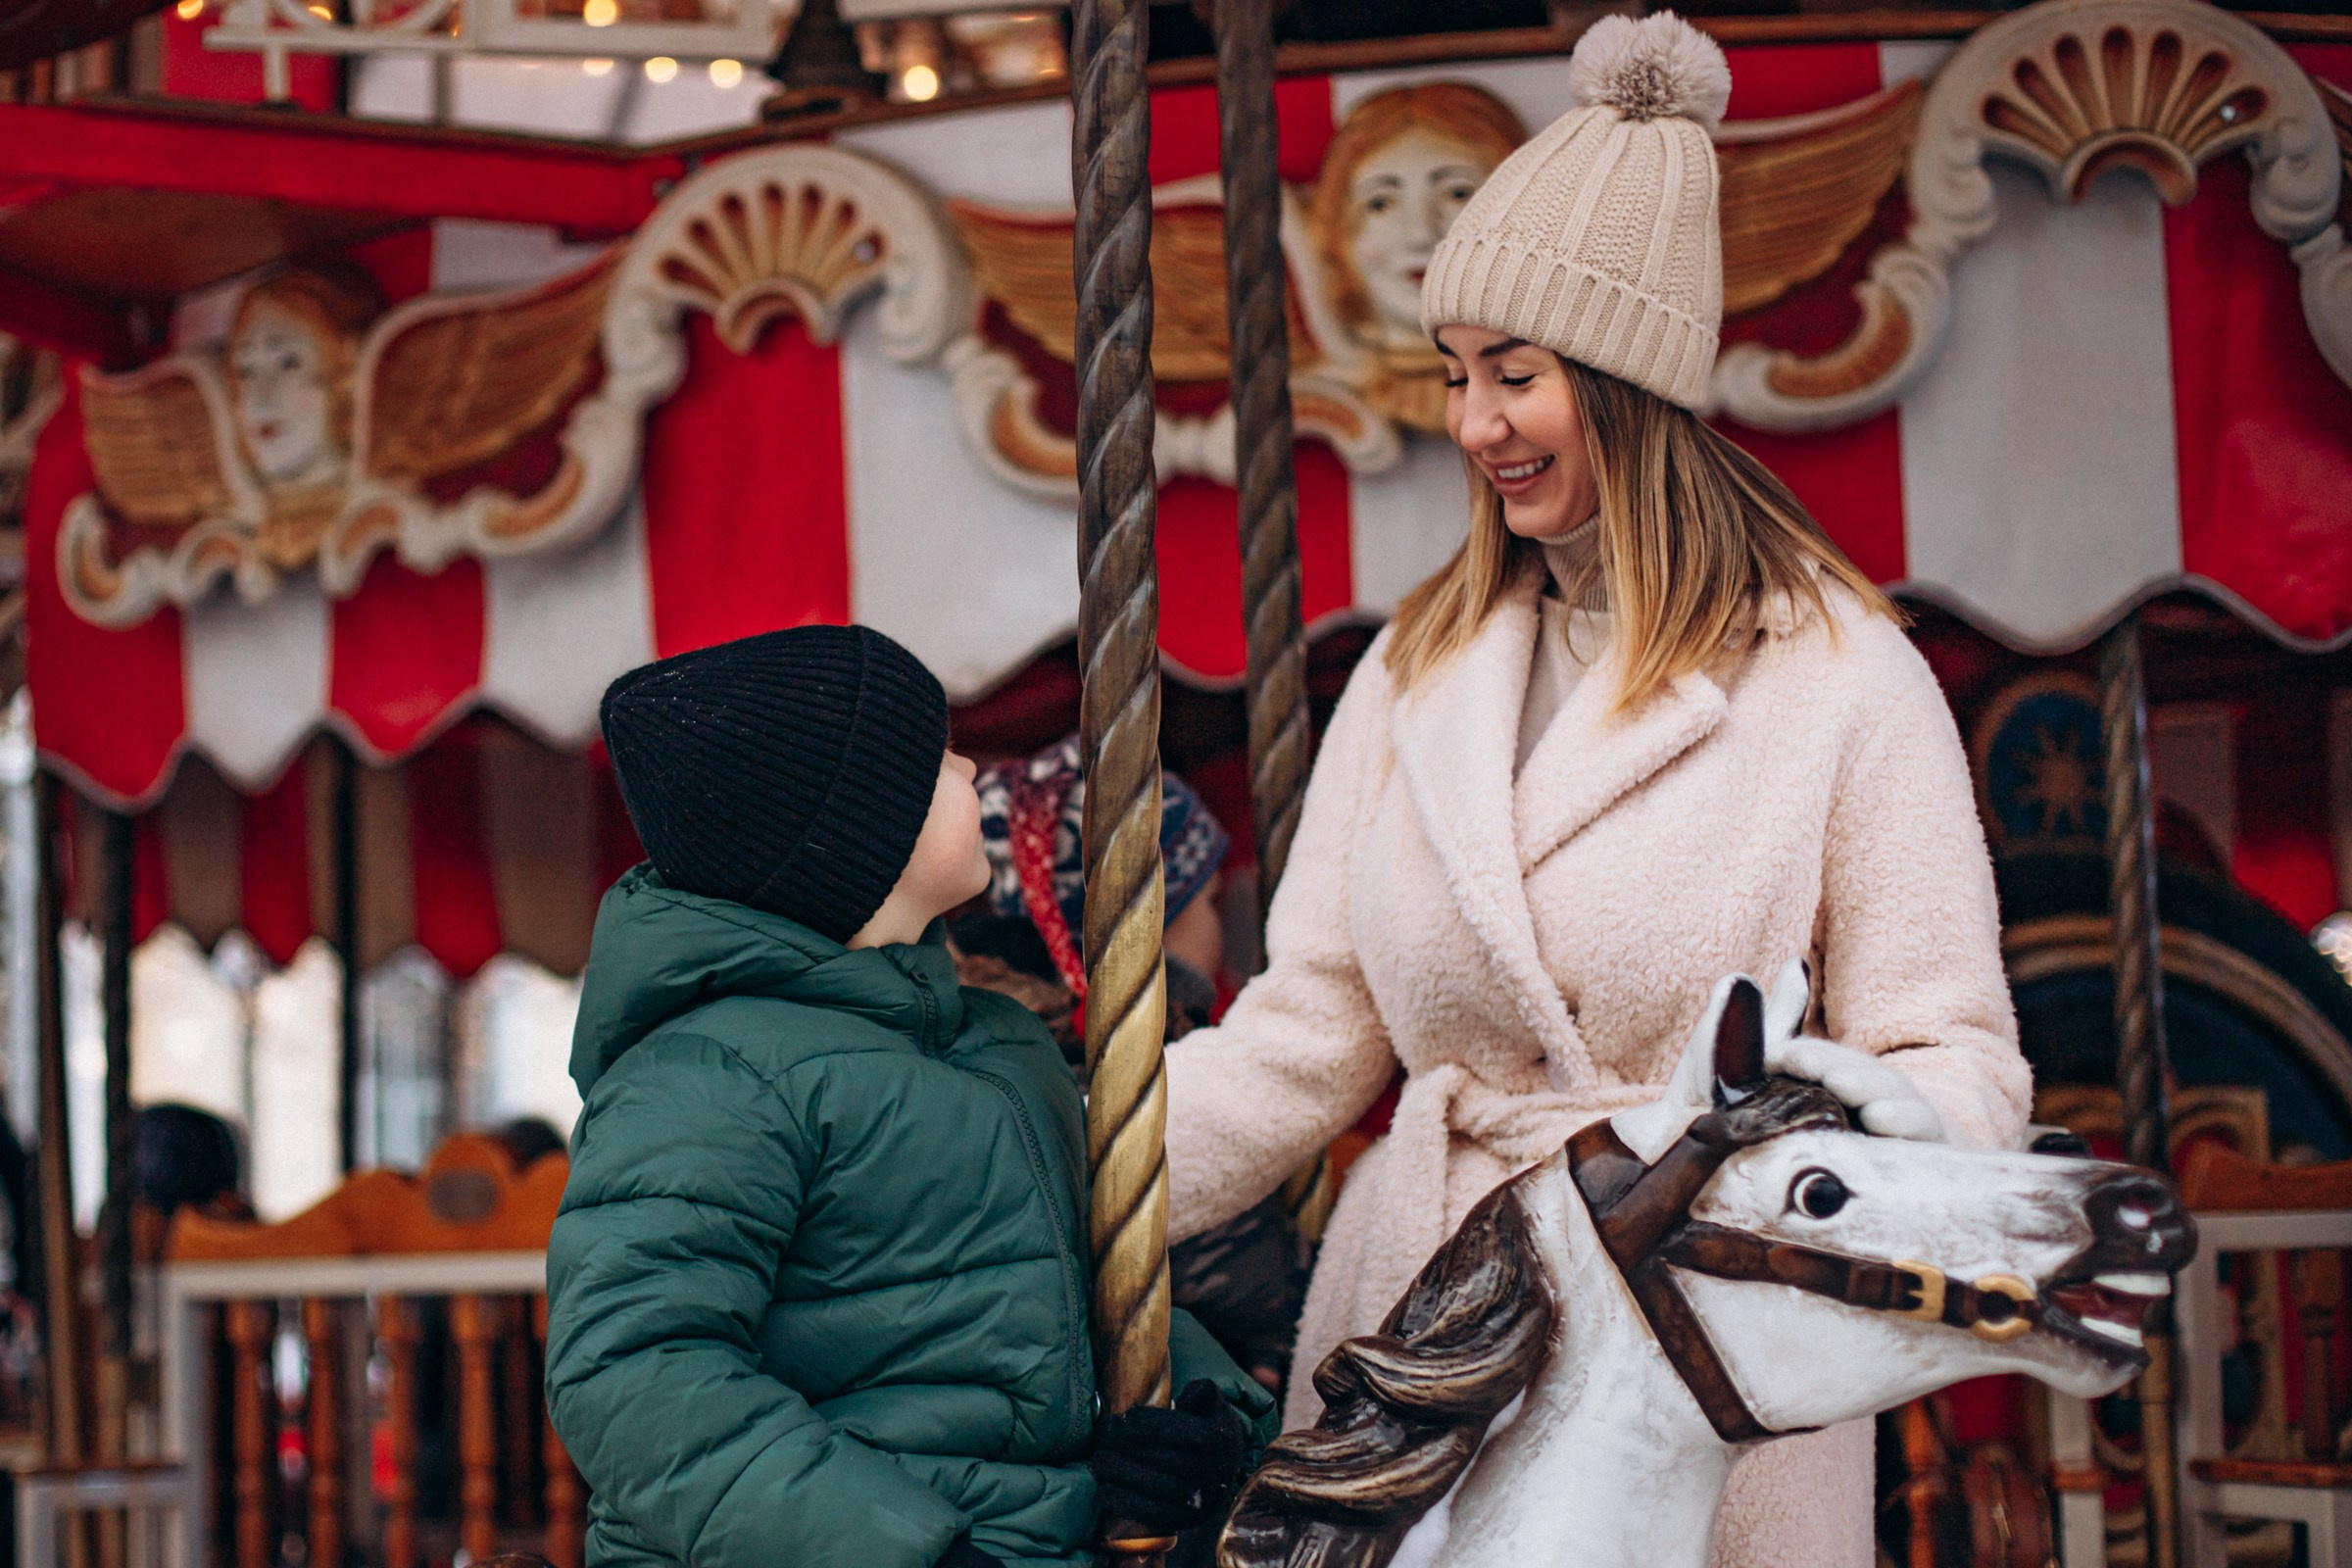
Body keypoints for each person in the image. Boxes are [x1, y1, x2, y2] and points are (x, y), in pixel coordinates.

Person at [1156, 14, 2032, 1567]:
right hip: (1421, 1336)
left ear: (1624, 381)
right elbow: (1307, 1030)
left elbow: (1946, 1050)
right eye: (1454, 376)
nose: (1474, 423)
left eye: (1516, 374)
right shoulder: (1416, 671)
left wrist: (1796, 1165)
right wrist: (1053, 1189)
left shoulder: (1836, 675)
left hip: (1698, 1346)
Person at [542, 624, 1272, 1568]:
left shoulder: (997, 1044)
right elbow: (636, 1374)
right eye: (934, 759)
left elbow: (1088, 1287)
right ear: (851, 833)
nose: (971, 767)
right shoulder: (707, 1078)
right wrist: (894, 1550)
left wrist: (1202, 1417)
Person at [953, 738, 1310, 1396]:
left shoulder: (978, 1057)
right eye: (1202, 903)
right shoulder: (1133, 1082)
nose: (1213, 926)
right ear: (1145, 929)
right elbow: (1256, 1284)